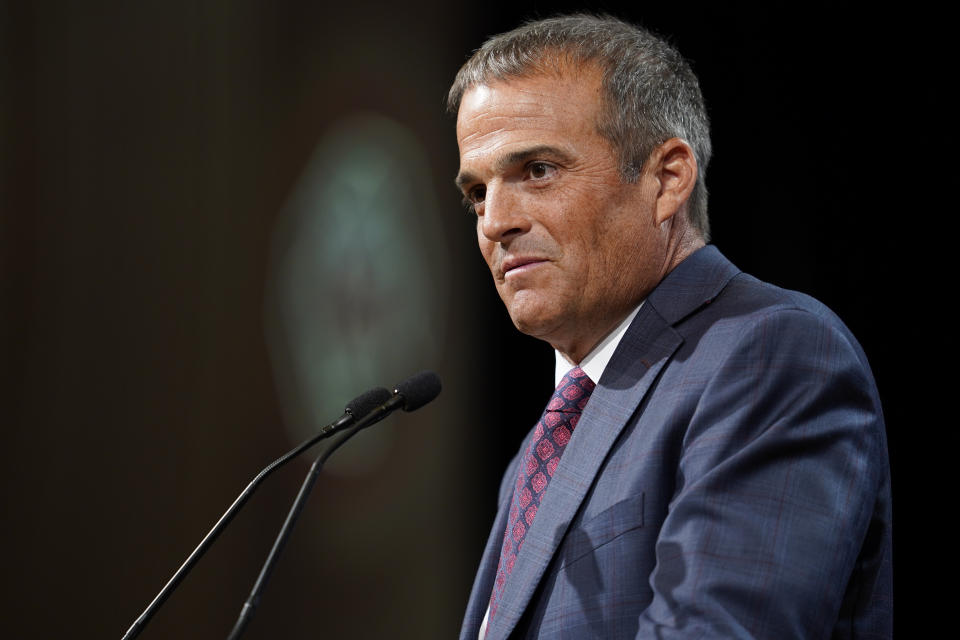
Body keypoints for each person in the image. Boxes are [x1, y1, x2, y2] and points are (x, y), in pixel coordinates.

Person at [449, 14, 892, 640]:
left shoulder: (772, 353)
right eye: (477, 193)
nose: (495, 222)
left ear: (666, 179)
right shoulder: (538, 451)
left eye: (538, 171)